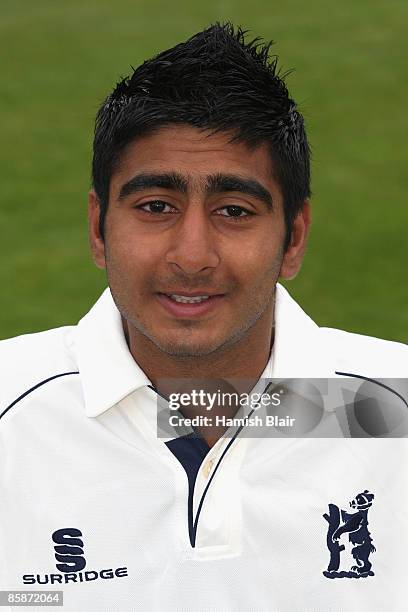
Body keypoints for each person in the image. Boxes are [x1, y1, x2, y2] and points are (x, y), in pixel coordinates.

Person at [1, 22, 407, 612]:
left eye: (234, 210)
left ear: (293, 238)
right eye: (156, 206)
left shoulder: (392, 409)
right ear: (98, 229)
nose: (192, 256)